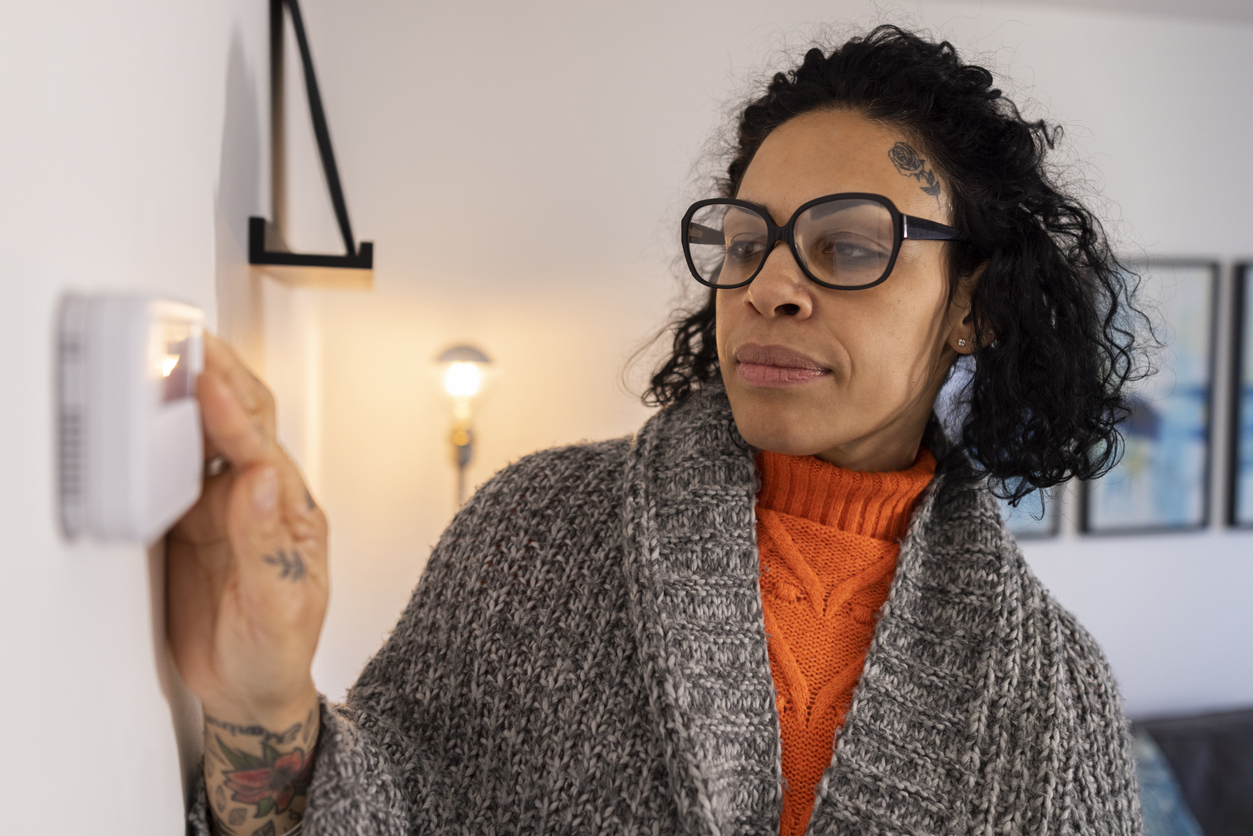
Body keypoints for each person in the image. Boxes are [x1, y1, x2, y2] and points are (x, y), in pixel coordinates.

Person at [171, 26, 1147, 836]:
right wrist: (264, 700)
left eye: (845, 246)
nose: (767, 286)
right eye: (743, 241)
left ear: (970, 303)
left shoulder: (1054, 699)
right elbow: (378, 811)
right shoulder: (537, 531)